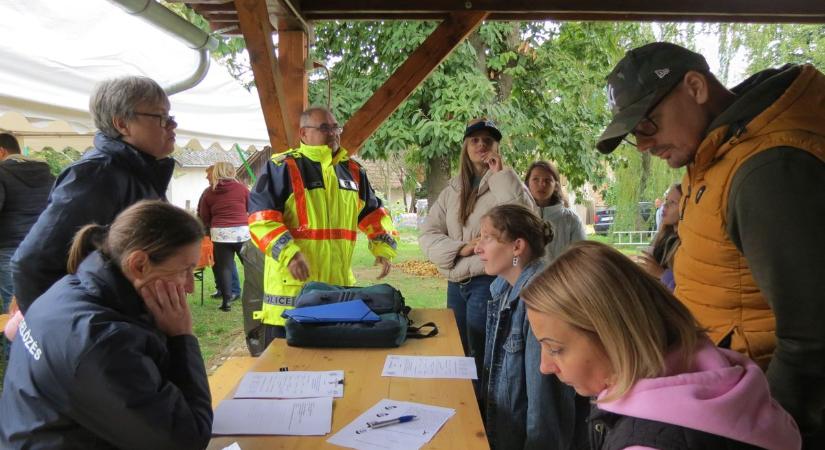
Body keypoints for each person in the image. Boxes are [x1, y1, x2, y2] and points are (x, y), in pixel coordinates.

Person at [596, 42, 825, 445]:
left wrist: (770, 429)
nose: (645, 145)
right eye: (636, 135)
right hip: (726, 396)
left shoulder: (767, 171)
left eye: (648, 124)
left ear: (696, 87)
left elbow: (811, 338)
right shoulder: (714, 154)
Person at [522, 241, 801, 450]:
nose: (545, 367)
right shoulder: (722, 371)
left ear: (614, 336)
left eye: (555, 348)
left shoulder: (644, 442)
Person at [0, 200, 212, 449]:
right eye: (185, 270)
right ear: (139, 265)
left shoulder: (67, 289)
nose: (190, 286)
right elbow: (187, 440)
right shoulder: (105, 340)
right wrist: (181, 337)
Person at [12, 75, 177, 313]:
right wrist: (60, 331)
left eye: (170, 117)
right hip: (104, 326)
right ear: (122, 124)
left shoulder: (137, 171)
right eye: (161, 117)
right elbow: (32, 263)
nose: (172, 125)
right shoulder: (97, 175)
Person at [248, 106, 397, 345]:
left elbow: (374, 214)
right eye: (324, 128)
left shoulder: (354, 171)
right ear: (303, 133)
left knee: (332, 372)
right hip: (291, 296)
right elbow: (261, 220)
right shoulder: (281, 168)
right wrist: (291, 254)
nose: (333, 134)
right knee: (284, 375)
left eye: (335, 127)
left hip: (338, 293)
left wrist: (383, 249)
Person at [419, 118, 536, 382]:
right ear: (466, 146)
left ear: (496, 146)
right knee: (457, 352)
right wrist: (460, 248)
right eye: (474, 140)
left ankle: (485, 415)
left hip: (488, 281)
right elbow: (427, 234)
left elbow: (525, 219)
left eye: (488, 140)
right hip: (456, 282)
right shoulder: (453, 189)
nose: (481, 145)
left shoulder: (505, 181)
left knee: (485, 358)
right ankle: (464, 405)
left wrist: (501, 175)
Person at [475, 204, 587, 450]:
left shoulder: (539, 302)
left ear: (517, 246)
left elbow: (545, 410)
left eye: (487, 238)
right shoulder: (503, 289)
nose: (477, 247)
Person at [0, 133, 54, 317]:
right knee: (37, 304)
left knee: (13, 310)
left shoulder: (1, 173)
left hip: (9, 250)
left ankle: (14, 347)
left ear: (1, 152)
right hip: (41, 248)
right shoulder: (47, 175)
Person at [198, 161, 249, 312]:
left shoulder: (208, 192)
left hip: (219, 233)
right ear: (231, 172)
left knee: (224, 267)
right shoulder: (242, 189)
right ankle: (257, 296)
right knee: (250, 266)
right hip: (241, 232)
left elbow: (204, 215)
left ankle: (226, 302)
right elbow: (251, 207)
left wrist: (213, 224)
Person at [524, 160, 586, 264]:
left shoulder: (570, 220)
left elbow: (581, 257)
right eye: (535, 179)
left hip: (560, 279)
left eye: (548, 180)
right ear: (527, 183)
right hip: (526, 279)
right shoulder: (520, 217)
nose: (542, 184)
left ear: (556, 186)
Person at [635, 184, 681, 291]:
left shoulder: (686, 243)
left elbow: (687, 288)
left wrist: (661, 274)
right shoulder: (663, 236)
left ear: (685, 207)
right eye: (666, 200)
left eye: (673, 202)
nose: (665, 205)